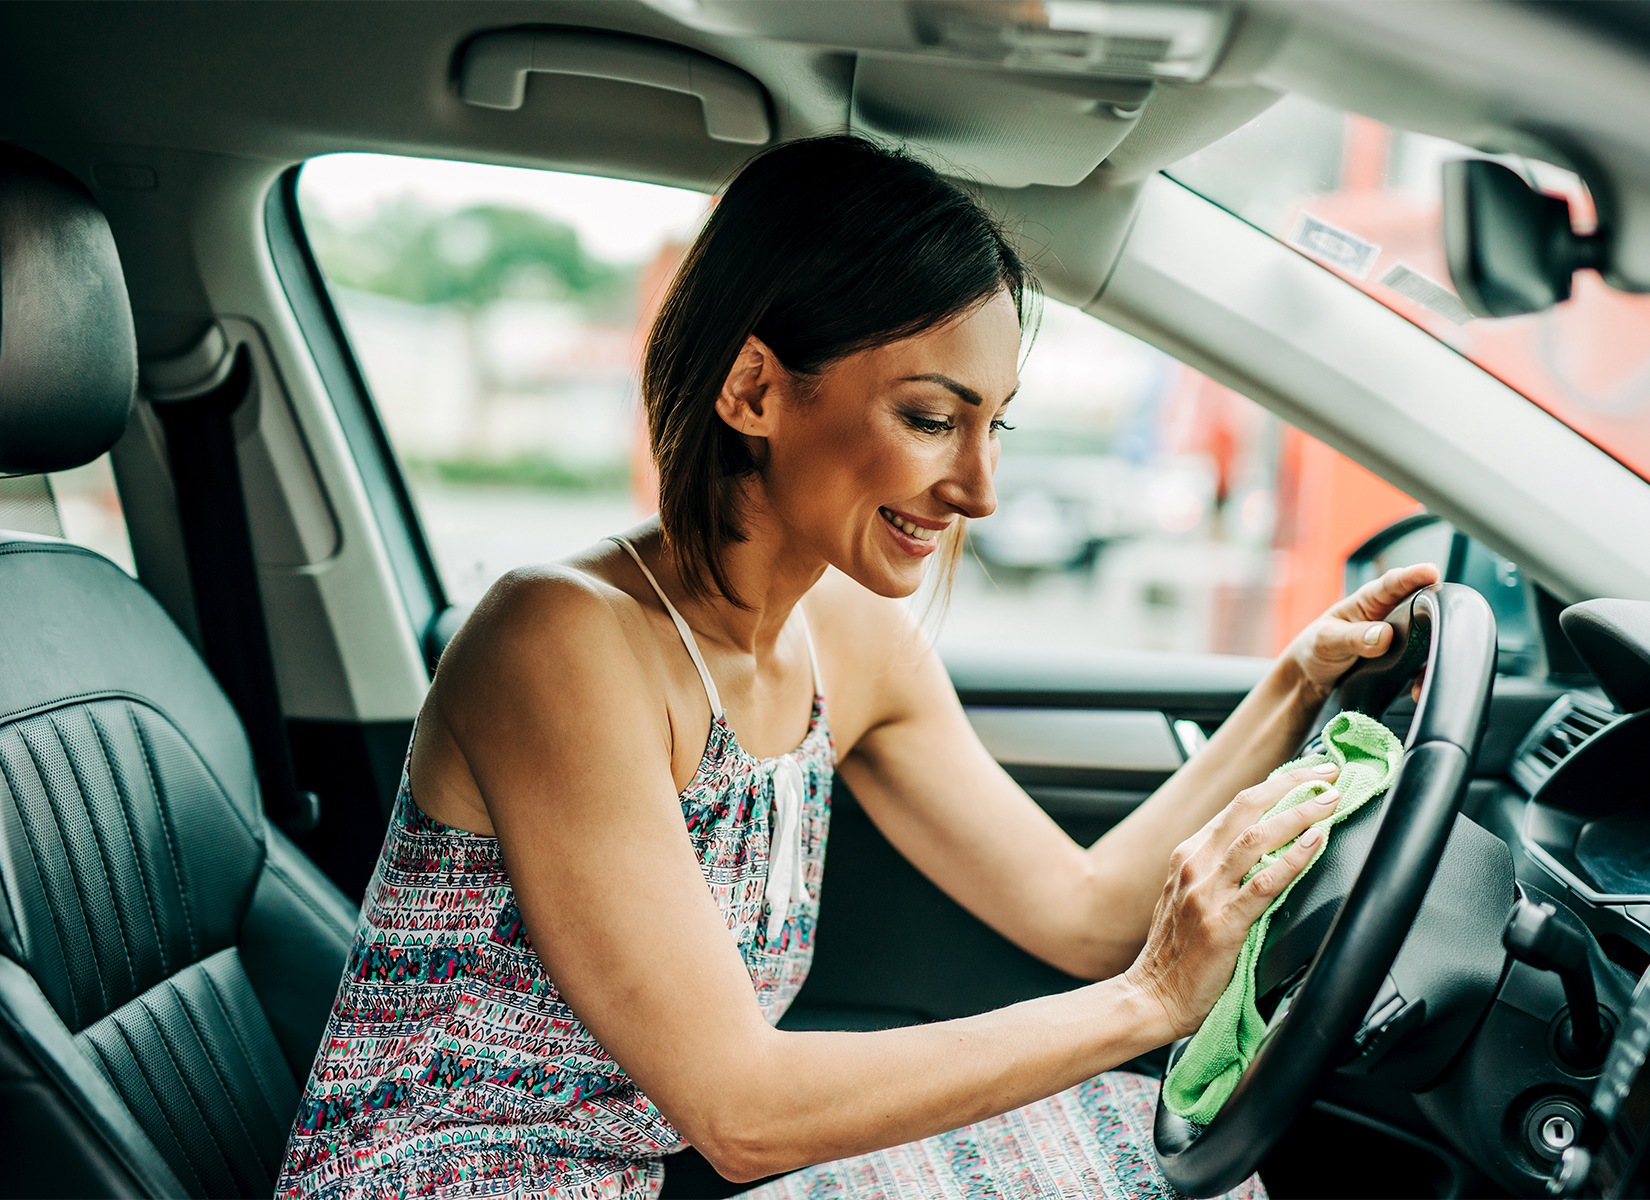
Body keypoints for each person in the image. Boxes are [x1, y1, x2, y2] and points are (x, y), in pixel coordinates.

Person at [276, 135, 1439, 1200]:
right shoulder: (558, 642)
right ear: (754, 390)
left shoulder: (852, 640)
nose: (980, 489)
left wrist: (1293, 689)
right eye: (935, 419)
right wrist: (1148, 1000)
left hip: (649, 1184)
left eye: (999, 426)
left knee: (1147, 1147)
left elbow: (1083, 913)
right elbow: (739, 1110)